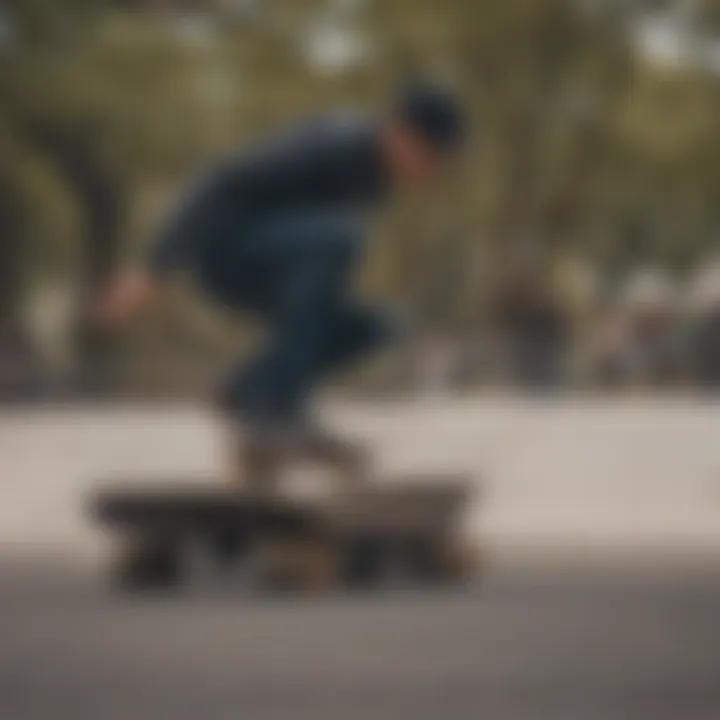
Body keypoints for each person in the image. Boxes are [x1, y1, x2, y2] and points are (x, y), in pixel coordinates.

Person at [97, 81, 466, 455]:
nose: (429, 173)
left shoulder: (375, 178)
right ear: (402, 133)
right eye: (430, 158)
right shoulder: (337, 142)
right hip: (228, 253)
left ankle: (248, 391)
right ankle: (273, 415)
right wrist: (154, 269)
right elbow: (221, 182)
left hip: (282, 263)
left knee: (379, 325)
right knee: (338, 237)